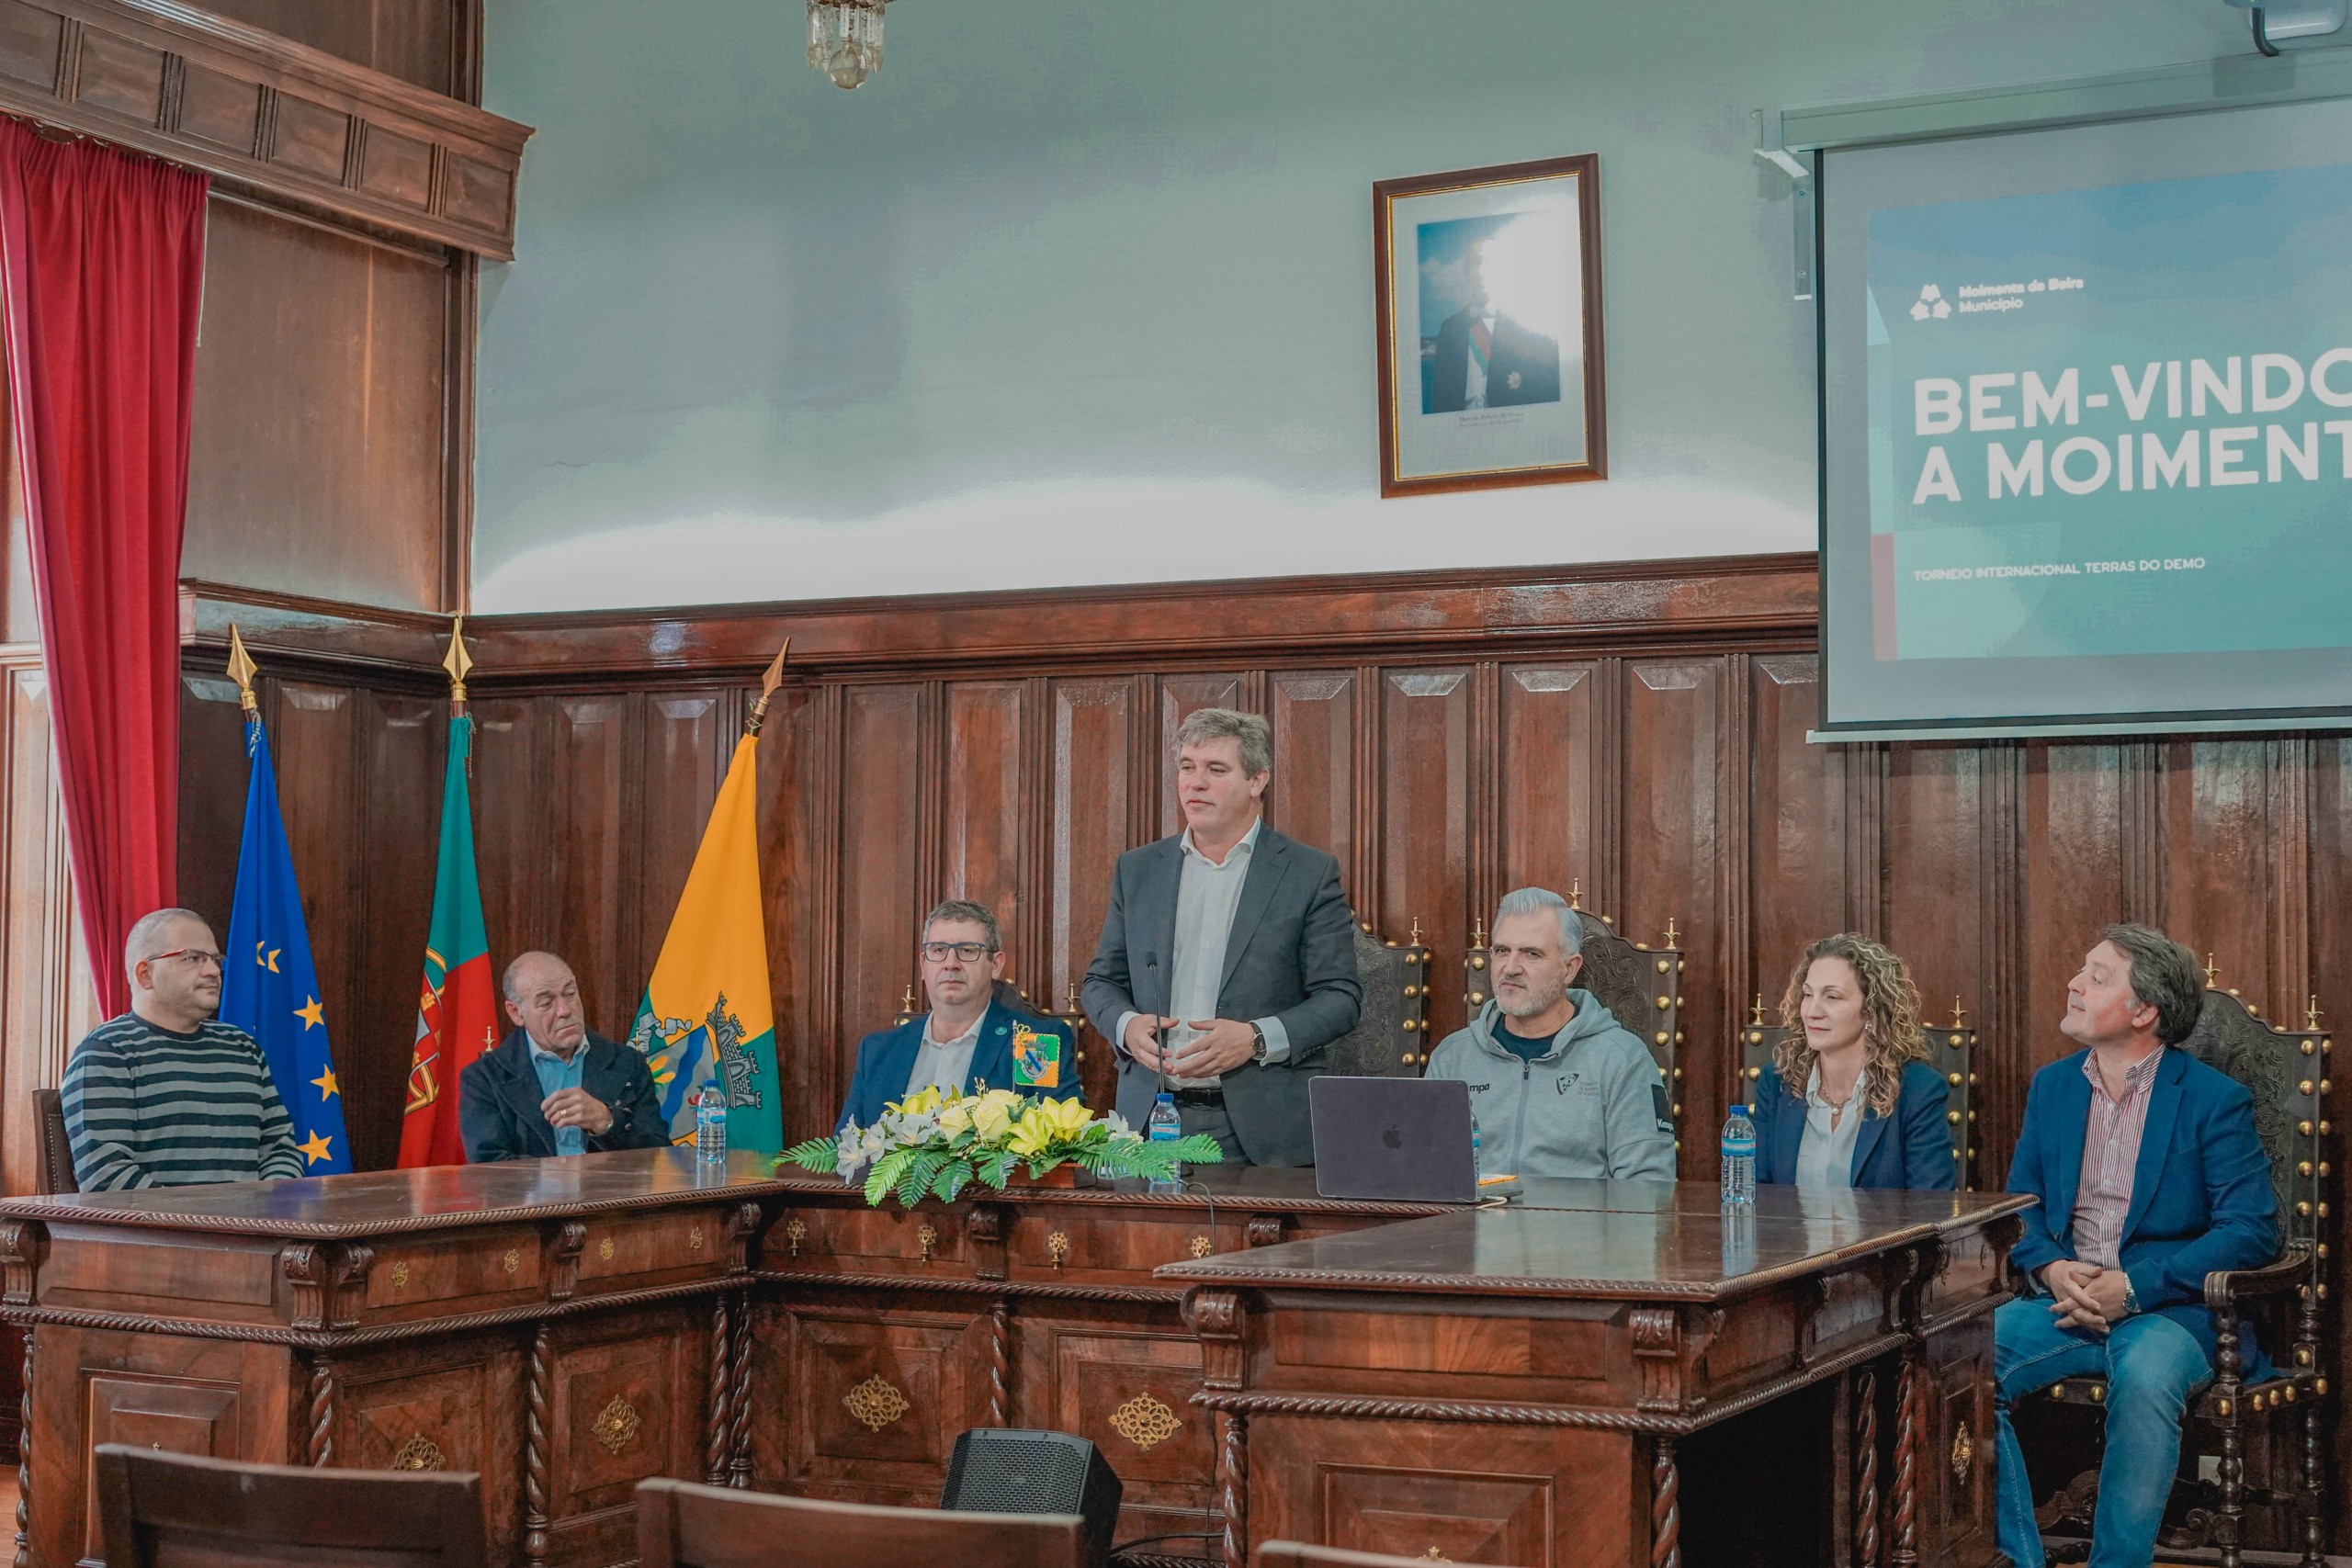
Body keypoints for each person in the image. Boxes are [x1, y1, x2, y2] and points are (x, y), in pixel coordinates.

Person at [1994, 924, 2278, 1568]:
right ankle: (2021, 1559)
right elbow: (2021, 1209)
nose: (2074, 983)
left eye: (2097, 977)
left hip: (2173, 1311)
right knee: (1957, 1367)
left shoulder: (2212, 1100)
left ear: (2145, 1009)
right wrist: (2053, 1267)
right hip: (2063, 1302)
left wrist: (2133, 1287)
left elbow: (2251, 1229)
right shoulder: (2053, 1086)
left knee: (2146, 1379)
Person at [1082, 707, 1359, 1167]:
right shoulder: (1138, 870)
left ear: (1257, 780)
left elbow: (1341, 999)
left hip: (1258, 1130)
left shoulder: (1306, 872)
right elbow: (1100, 982)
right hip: (1149, 1119)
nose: (1196, 783)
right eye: (1187, 767)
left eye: (1215, 769)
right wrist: (1126, 1026)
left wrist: (1255, 1038)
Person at [1421, 886, 1674, 1180]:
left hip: (1578, 1213)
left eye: (1531, 954)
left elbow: (1647, 1188)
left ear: (1569, 969)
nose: (1510, 968)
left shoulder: (1622, 1060)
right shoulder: (1452, 1058)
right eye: (1502, 951)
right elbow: (1422, 1171)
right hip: (1475, 1213)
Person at [61, 908, 304, 1190]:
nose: (213, 971)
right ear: (145, 974)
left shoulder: (243, 1048)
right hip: (160, 1221)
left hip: (253, 1218)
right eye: (192, 958)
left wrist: (269, 1206)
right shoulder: (107, 1053)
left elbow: (280, 1150)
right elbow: (106, 1178)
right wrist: (199, 1217)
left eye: (215, 959)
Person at [837, 900, 1076, 1131]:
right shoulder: (877, 1052)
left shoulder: (1033, 1043)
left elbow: (1061, 1141)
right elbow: (842, 1150)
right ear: (923, 965)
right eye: (939, 950)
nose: (951, 963)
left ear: (995, 965)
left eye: (967, 950)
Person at [1749, 933, 1954, 1190]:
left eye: (1832, 997)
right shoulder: (1777, 1083)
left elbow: (1932, 1204)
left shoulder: (1918, 1090)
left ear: (1871, 1009)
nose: (1812, 1011)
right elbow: (1757, 1194)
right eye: (1808, 994)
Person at [459, 951, 672, 1162]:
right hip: (540, 1186)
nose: (565, 1010)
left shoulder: (627, 1063)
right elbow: (488, 1166)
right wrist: (563, 1176)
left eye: (570, 994)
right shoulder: (484, 1078)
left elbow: (657, 1154)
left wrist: (607, 1121)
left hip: (613, 1186)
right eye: (546, 1003)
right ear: (516, 1013)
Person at [1426, 260, 1562, 414]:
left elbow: (1544, 391)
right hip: (1461, 426)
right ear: (1467, 272)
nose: (1482, 272)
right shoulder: (1449, 328)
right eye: (1476, 264)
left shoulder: (1526, 326)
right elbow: (1442, 396)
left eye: (1489, 264)